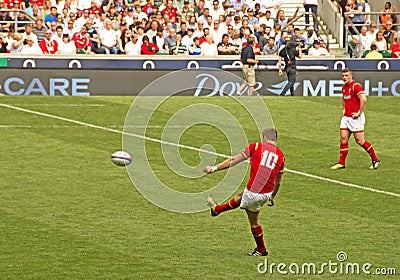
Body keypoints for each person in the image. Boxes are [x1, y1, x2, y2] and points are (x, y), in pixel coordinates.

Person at [203, 127, 285, 257]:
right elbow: (278, 182)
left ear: (264, 137)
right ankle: (217, 210)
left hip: (254, 193)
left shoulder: (256, 146)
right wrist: (273, 196)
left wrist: (214, 168)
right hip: (267, 193)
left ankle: (261, 249)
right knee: (241, 196)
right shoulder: (281, 156)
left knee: (254, 222)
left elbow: (233, 161)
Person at [330, 68, 380, 170]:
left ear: (351, 76)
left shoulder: (356, 86)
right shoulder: (344, 87)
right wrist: (344, 111)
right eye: (343, 76)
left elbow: (363, 99)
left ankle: (375, 159)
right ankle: (341, 162)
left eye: (346, 76)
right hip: (346, 117)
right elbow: (344, 100)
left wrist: (359, 113)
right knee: (343, 139)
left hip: (355, 118)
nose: (344, 78)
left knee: (360, 141)